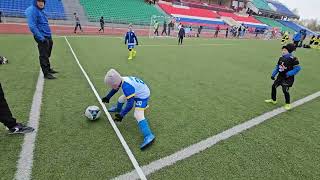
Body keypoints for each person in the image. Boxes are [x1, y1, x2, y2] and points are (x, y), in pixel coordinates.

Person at [101, 69, 155, 150]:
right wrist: (108, 97)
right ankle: (118, 109)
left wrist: (121, 115)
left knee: (138, 115)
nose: (111, 87)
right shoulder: (120, 80)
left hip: (142, 95)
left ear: (115, 84)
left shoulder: (127, 87)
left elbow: (130, 105)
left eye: (111, 85)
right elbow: (115, 89)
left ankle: (149, 135)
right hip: (137, 90)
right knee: (121, 99)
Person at [26, 0, 58, 80]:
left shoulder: (41, 11)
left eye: (43, 2)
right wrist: (41, 38)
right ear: (35, 2)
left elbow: (44, 24)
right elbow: (32, 26)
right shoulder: (32, 10)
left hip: (47, 36)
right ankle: (46, 73)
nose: (41, 3)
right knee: (43, 54)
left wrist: (49, 35)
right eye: (39, 1)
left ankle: (48, 68)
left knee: (47, 53)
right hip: (41, 36)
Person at [265, 43, 301, 110]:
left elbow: (297, 68)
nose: (283, 51)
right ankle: (273, 100)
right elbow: (277, 67)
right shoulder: (281, 58)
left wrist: (289, 73)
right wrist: (273, 74)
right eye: (282, 50)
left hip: (288, 78)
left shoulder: (293, 59)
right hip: (280, 76)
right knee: (273, 86)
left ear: (289, 51)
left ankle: (287, 104)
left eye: (285, 50)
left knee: (285, 90)